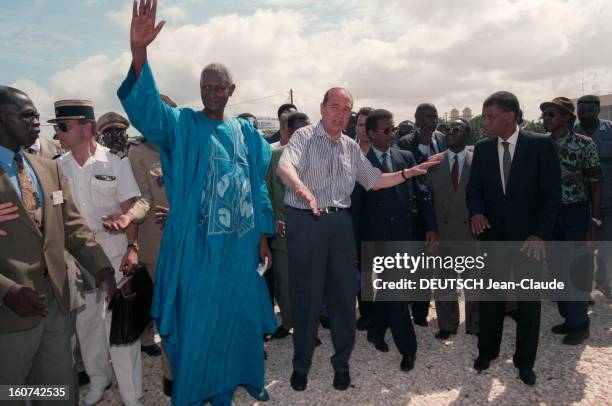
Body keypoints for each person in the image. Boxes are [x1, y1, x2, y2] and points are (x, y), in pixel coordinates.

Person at [117, 1, 276, 404]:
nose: (211, 93)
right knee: (198, 327)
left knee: (236, 325)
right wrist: (140, 53)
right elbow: (150, 113)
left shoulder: (247, 134)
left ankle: (225, 391)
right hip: (197, 252)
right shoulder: (184, 126)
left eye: (219, 87)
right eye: (206, 87)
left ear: (232, 90)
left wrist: (262, 235)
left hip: (238, 254)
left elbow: (256, 185)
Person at [276, 87, 440, 392]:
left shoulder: (351, 147)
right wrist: (300, 187)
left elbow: (375, 180)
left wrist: (408, 173)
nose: (340, 113)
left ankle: (342, 365)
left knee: (343, 299)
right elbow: (286, 166)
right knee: (307, 299)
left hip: (340, 222)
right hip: (306, 219)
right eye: (334, 106)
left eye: (345, 109)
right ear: (322, 107)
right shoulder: (303, 137)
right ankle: (301, 366)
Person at [0, 86, 116, 406]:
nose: (37, 122)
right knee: (11, 393)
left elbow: (71, 225)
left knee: (56, 391)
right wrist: (6, 289)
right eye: (27, 115)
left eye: (37, 115)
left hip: (54, 304)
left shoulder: (46, 168)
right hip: (8, 314)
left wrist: (101, 267)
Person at [50, 99, 144, 406]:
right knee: (87, 326)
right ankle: (98, 381)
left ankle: (132, 396)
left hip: (112, 251)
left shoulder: (115, 163)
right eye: (57, 128)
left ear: (87, 128)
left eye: (64, 127)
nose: (59, 134)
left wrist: (132, 248)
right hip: (74, 258)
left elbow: (130, 207)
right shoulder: (56, 168)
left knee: (120, 328)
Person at [466, 91, 561, 386]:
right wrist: (477, 213)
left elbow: (551, 195)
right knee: (491, 298)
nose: (485, 123)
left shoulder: (541, 145)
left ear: (510, 116)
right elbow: (475, 189)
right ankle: (487, 352)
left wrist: (540, 233)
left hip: (529, 241)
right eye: (484, 117)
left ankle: (524, 362)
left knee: (528, 304)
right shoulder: (482, 149)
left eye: (490, 117)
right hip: (493, 238)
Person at [357, 109, 437, 371]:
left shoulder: (404, 156)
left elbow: (421, 192)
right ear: (371, 133)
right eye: (387, 130)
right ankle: (408, 349)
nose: (393, 134)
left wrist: (431, 226)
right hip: (375, 240)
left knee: (391, 292)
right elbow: (354, 208)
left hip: (405, 235)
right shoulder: (358, 162)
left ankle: (376, 330)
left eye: (393, 129)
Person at [127, 93, 177, 396]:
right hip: (158, 243)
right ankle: (172, 375)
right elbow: (143, 198)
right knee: (168, 312)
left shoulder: (182, 147)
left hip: (189, 241)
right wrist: (128, 217)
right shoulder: (138, 153)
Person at [542, 97, 602, 345]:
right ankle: (568, 317)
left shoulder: (583, 145)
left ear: (567, 117)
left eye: (551, 114)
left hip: (575, 212)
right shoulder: (540, 145)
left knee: (575, 268)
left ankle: (580, 325)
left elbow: (596, 183)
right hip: (549, 215)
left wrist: (595, 219)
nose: (546, 118)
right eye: (544, 114)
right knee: (556, 268)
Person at [425, 118, 479, 338]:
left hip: (471, 232)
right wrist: (430, 228)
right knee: (444, 279)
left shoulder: (478, 161)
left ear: (468, 134)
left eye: (456, 129)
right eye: (447, 129)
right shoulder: (434, 163)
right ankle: (447, 325)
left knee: (474, 280)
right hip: (443, 230)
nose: (450, 132)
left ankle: (475, 324)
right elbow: (426, 200)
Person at [266, 112, 311, 340]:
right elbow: (265, 192)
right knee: (284, 282)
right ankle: (287, 320)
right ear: (287, 131)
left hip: (311, 231)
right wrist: (273, 218)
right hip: (283, 230)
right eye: (298, 130)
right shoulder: (274, 156)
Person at [574, 95, 612, 299]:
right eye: (581, 112)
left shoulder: (610, 131)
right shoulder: (572, 133)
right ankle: (583, 288)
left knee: (607, 245)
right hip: (581, 202)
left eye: (589, 111)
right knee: (583, 247)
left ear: (598, 111)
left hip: (608, 201)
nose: (585, 115)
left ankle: (603, 281)